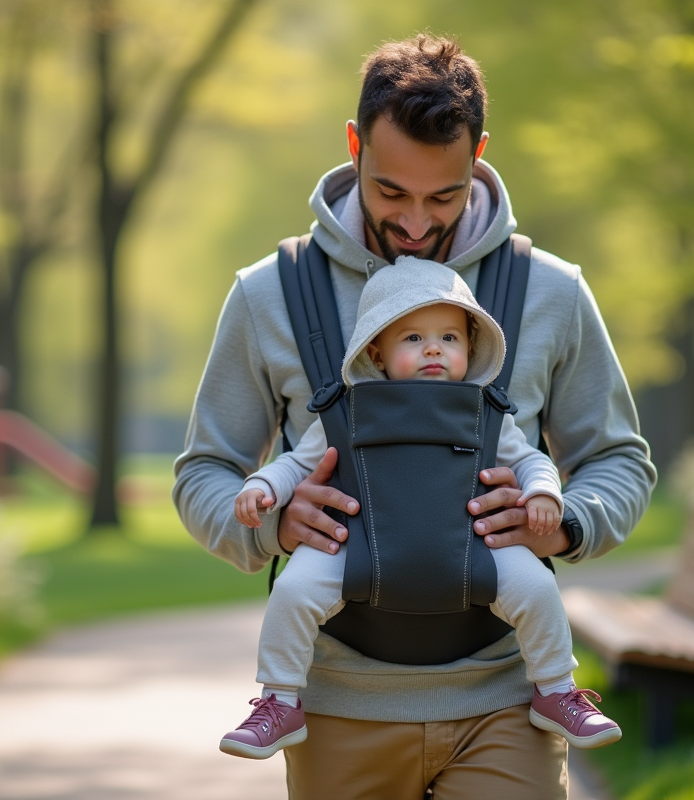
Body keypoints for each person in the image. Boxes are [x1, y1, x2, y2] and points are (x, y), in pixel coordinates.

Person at [174, 32, 655, 799]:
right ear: (354, 145)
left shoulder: (551, 293)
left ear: (480, 155)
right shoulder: (268, 294)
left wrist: (563, 524)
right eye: (391, 191)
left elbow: (619, 460)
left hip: (504, 697)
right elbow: (204, 472)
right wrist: (273, 523)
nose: (414, 224)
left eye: (444, 195)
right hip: (336, 706)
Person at [218, 256, 622, 761]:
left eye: (449, 337)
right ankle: (280, 701)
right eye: (412, 338)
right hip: (356, 542)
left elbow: (532, 461)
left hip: (477, 542)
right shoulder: (349, 407)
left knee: (537, 588)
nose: (434, 347)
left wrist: (544, 495)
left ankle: (556, 688)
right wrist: (264, 488)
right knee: (295, 591)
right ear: (376, 351)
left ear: (470, 348)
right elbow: (299, 462)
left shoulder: (484, 409)